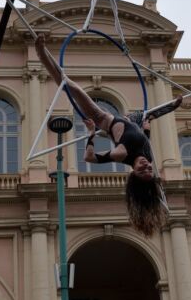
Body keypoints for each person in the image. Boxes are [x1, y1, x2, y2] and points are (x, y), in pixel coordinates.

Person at [35, 34, 182, 236]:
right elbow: (146, 133)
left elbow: (89, 158)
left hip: (103, 119)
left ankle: (41, 54)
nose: (147, 166)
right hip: (132, 120)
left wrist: (91, 133)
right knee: (144, 115)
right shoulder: (147, 156)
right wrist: (169, 109)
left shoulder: (121, 153)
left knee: (70, 85)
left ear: (133, 173)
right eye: (149, 170)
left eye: (142, 170)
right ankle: (43, 54)